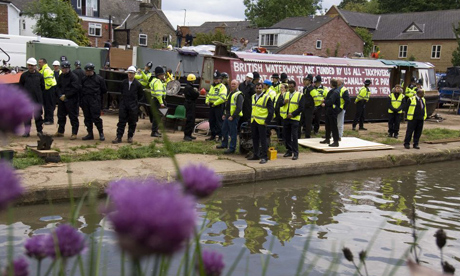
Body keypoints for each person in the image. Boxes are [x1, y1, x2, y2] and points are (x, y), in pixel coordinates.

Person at [112, 66, 144, 144]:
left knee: (132, 122)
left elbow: (141, 96)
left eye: (132, 73)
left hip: (133, 107)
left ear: (134, 74)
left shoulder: (138, 85)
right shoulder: (124, 83)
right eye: (129, 73)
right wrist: (122, 103)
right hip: (124, 105)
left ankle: (130, 137)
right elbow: (121, 93)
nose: (130, 75)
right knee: (121, 122)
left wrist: (136, 105)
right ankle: (119, 137)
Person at [248, 83, 274, 164]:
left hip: (262, 122)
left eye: (260, 88)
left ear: (262, 89)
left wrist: (267, 121)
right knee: (255, 139)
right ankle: (256, 155)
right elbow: (253, 109)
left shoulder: (267, 98)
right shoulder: (253, 96)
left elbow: (271, 111)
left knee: (263, 140)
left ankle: (264, 157)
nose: (258, 89)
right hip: (254, 121)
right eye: (257, 88)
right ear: (255, 89)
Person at [80, 63, 107, 141]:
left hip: (95, 100)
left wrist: (101, 104)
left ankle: (101, 133)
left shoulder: (99, 79)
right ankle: (90, 134)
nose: (87, 72)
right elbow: (81, 90)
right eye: (86, 71)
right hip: (86, 100)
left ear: (92, 71)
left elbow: (104, 91)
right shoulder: (84, 79)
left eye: (88, 71)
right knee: (87, 118)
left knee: (96, 118)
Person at [19, 57, 44, 137]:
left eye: (32, 65)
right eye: (29, 65)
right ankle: (27, 132)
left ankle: (39, 131)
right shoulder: (24, 76)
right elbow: (20, 87)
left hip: (37, 99)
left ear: (35, 66)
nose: (30, 67)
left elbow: (42, 87)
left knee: (38, 116)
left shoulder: (39, 76)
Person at [55, 60, 81, 140]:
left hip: (71, 100)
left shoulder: (74, 77)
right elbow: (58, 86)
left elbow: (76, 88)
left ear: (69, 68)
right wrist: (60, 95)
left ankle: (74, 133)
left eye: (66, 68)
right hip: (62, 100)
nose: (64, 70)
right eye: (63, 68)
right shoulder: (61, 76)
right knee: (61, 116)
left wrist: (66, 96)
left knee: (73, 117)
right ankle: (60, 131)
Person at [217, 79, 243, 154]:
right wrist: (225, 114)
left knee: (233, 133)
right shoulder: (231, 93)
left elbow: (239, 107)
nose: (233, 85)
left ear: (238, 85)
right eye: (232, 84)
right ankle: (224, 144)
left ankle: (232, 148)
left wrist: (233, 116)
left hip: (234, 116)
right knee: (224, 130)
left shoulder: (239, 94)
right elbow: (227, 106)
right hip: (228, 115)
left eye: (234, 84)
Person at [280, 80, 304, 160]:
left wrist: (293, 114)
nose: (290, 88)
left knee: (294, 136)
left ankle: (295, 153)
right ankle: (289, 150)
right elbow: (279, 104)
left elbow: (301, 108)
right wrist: (283, 102)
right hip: (286, 118)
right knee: (286, 135)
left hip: (294, 119)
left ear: (295, 87)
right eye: (289, 87)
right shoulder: (285, 94)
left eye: (291, 87)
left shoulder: (299, 95)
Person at [205, 70, 227, 142]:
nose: (216, 80)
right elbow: (208, 95)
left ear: (220, 79)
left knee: (219, 122)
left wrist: (215, 103)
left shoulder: (222, 87)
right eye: (215, 79)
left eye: (217, 79)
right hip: (212, 106)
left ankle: (220, 136)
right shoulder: (212, 86)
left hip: (218, 106)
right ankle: (213, 135)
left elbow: (223, 98)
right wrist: (207, 101)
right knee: (211, 121)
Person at [320, 79, 340, 147]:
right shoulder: (332, 91)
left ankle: (336, 141)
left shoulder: (335, 92)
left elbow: (331, 101)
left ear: (332, 84)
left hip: (332, 111)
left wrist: (325, 102)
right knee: (327, 125)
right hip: (329, 111)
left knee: (334, 126)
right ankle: (327, 138)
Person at [38, 58, 57, 125]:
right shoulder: (43, 69)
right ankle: (46, 119)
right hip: (47, 89)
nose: (39, 64)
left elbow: (48, 81)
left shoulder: (46, 70)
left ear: (44, 63)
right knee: (46, 105)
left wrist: (44, 89)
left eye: (40, 62)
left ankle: (50, 120)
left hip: (49, 89)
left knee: (49, 105)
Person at [149, 66, 167, 137]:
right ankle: (154, 131)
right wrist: (161, 103)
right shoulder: (158, 82)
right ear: (159, 75)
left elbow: (161, 87)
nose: (163, 75)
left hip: (155, 100)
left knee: (160, 114)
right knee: (158, 116)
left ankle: (155, 130)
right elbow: (159, 93)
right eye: (163, 74)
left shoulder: (155, 80)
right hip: (158, 101)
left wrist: (164, 82)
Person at [183, 74, 200, 141]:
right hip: (190, 104)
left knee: (191, 119)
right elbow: (195, 95)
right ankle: (187, 135)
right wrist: (197, 92)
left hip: (188, 104)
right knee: (190, 119)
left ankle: (189, 134)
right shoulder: (190, 88)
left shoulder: (187, 87)